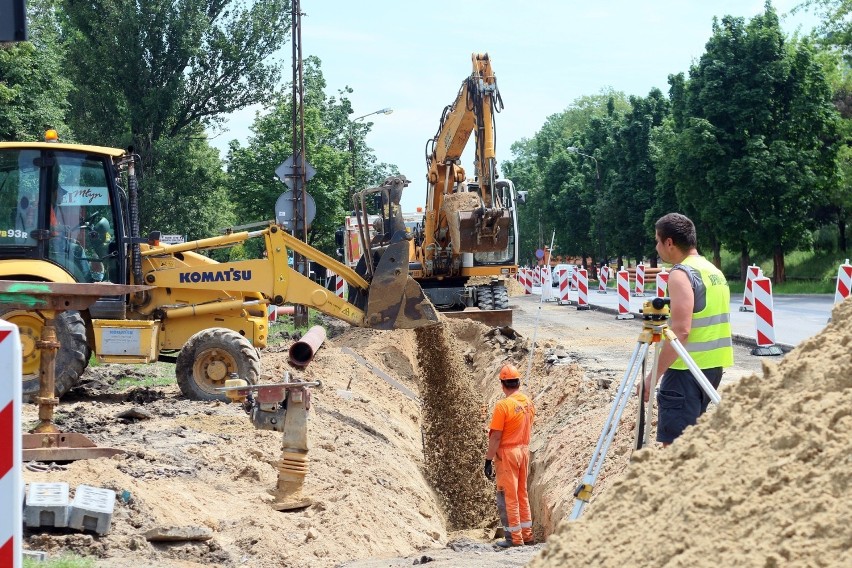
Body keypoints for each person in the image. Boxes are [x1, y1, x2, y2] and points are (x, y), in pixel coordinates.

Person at [643, 213, 733, 445]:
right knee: (692, 443)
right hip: (712, 369)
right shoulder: (713, 271)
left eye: (657, 240)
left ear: (669, 242)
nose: (656, 247)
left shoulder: (681, 274)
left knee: (676, 448)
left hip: (686, 370)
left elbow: (681, 331)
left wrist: (653, 377)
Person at [484, 363, 535, 548]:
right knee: (522, 494)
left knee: (508, 496)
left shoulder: (503, 406)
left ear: (502, 384)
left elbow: (496, 436)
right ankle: (527, 535)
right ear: (518, 383)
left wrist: (488, 460)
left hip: (508, 454)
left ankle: (514, 538)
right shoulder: (528, 403)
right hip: (524, 451)